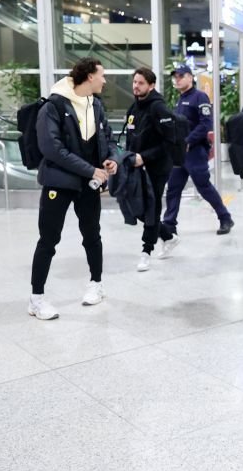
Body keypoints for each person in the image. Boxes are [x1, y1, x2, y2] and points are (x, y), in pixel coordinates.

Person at [28, 57, 118, 320]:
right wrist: (90, 170)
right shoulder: (53, 106)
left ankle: (96, 284)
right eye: (102, 75)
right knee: (48, 239)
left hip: (88, 184)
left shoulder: (96, 105)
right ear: (89, 76)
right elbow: (52, 149)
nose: (104, 80)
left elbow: (108, 138)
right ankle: (36, 298)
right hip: (59, 182)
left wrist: (112, 158)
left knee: (92, 234)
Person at [160, 65, 233, 254]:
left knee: (203, 186)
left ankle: (225, 217)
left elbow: (205, 124)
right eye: (175, 77)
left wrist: (188, 140)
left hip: (195, 151)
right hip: (180, 153)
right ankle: (169, 224)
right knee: (173, 188)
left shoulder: (200, 97)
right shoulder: (180, 99)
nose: (177, 80)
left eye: (180, 76)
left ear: (190, 77)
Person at [124, 67, 176, 272]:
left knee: (151, 208)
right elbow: (131, 137)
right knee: (137, 207)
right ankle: (168, 236)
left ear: (151, 85)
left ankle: (146, 251)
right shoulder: (134, 108)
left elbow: (169, 142)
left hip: (157, 167)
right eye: (135, 82)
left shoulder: (159, 108)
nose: (136, 86)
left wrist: (144, 157)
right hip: (136, 166)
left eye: (141, 83)